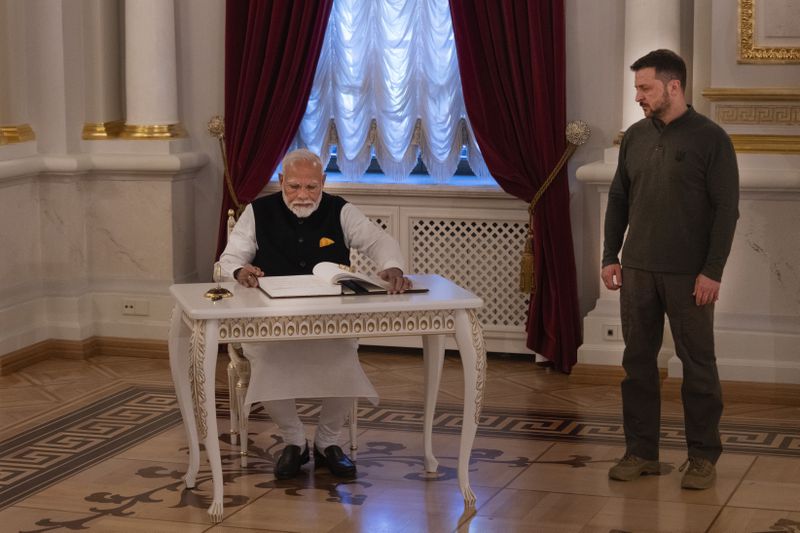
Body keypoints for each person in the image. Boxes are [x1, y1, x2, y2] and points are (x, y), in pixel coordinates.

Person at [219, 148, 412, 480]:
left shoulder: (341, 210)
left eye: (311, 187)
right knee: (265, 357)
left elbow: (380, 241)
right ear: (281, 182)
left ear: (323, 182)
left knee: (343, 356)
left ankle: (327, 443)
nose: (302, 195)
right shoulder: (257, 211)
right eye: (294, 186)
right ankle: (294, 441)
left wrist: (392, 267)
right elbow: (230, 257)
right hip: (272, 316)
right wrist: (239, 271)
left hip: (330, 316)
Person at [602, 49, 739, 490]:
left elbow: (726, 211)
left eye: (645, 87)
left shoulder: (711, 139)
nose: (638, 95)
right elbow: (619, 198)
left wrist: (712, 271)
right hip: (637, 270)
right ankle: (641, 452)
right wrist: (610, 255)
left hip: (690, 275)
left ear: (673, 86)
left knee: (698, 366)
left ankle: (702, 457)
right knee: (637, 364)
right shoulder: (636, 138)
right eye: (637, 88)